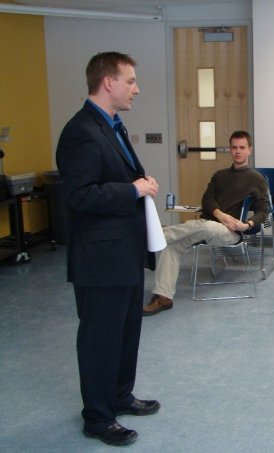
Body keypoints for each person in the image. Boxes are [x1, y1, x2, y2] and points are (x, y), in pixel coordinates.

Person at [56, 52, 160, 446]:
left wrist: (139, 181)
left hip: (125, 253)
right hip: (99, 260)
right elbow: (78, 197)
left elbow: (111, 178)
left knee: (127, 331)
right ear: (108, 82)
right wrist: (133, 189)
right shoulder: (80, 130)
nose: (136, 88)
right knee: (100, 338)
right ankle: (98, 417)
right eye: (130, 80)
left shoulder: (112, 125)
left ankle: (119, 396)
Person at [143, 130, 269, 316]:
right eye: (234, 147)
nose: (237, 151)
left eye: (242, 147)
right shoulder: (220, 175)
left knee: (203, 225)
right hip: (208, 224)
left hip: (231, 232)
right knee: (172, 245)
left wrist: (247, 225)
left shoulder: (256, 179)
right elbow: (207, 200)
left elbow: (263, 211)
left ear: (250, 150)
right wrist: (220, 214)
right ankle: (163, 296)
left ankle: (150, 237)